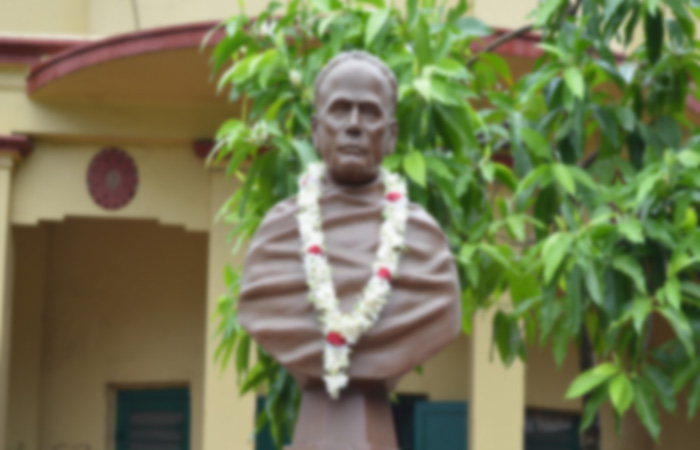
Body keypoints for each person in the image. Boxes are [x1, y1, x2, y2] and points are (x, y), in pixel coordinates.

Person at [237, 51, 461, 448]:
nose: (354, 125)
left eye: (370, 113)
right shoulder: (276, 234)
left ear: (391, 135)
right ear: (316, 130)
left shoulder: (424, 242)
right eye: (340, 110)